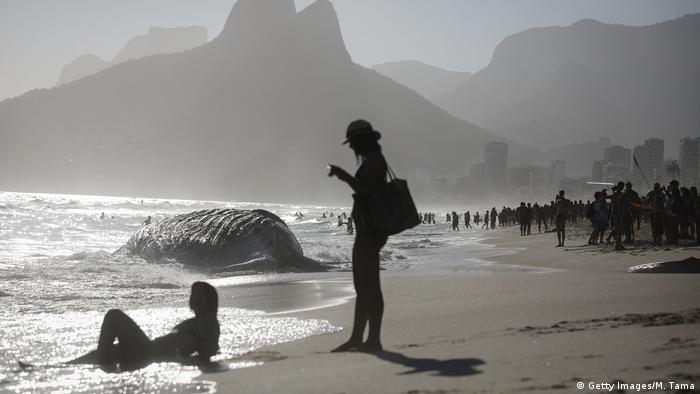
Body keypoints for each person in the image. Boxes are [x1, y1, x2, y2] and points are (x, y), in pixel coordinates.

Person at [327, 119, 389, 352]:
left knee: (369, 285)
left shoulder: (374, 161)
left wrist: (344, 175)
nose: (351, 148)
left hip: (371, 231)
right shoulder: (373, 160)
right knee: (363, 286)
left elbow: (365, 190)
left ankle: (372, 339)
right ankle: (359, 338)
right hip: (369, 229)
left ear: (362, 141)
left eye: (352, 143)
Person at [68, 282, 219, 369]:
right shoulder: (198, 320)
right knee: (91, 357)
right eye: (193, 294)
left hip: (150, 353)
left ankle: (103, 366)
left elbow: (210, 349)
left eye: (200, 295)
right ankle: (62, 367)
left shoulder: (210, 319)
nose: (195, 298)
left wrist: (184, 360)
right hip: (148, 351)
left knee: (113, 316)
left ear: (210, 300)